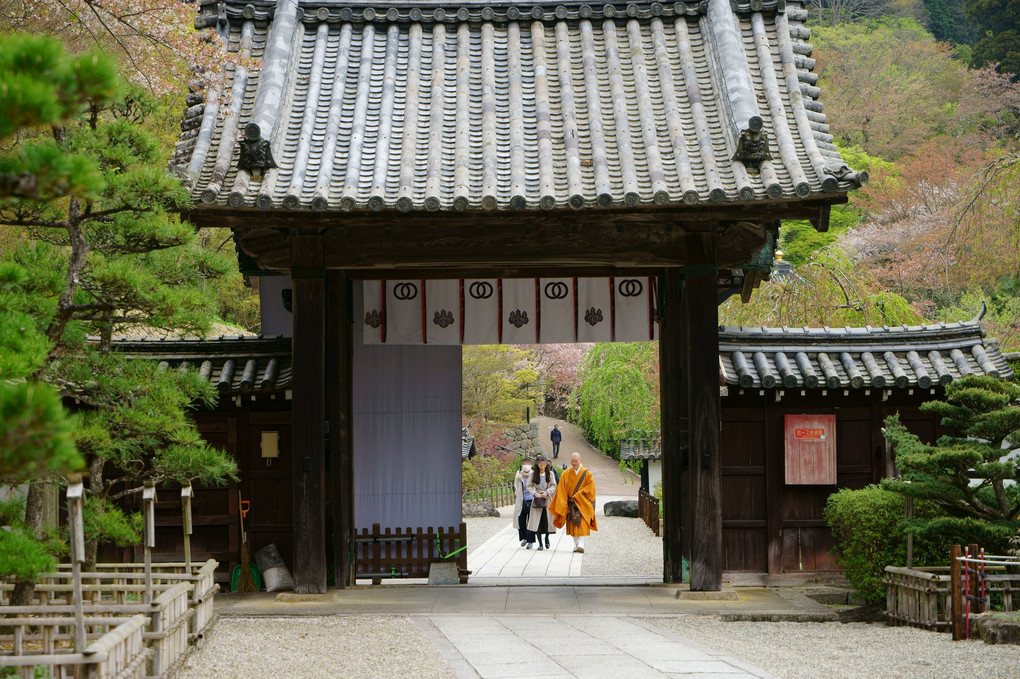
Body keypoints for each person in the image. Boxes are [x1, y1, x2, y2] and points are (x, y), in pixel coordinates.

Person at [550, 452, 597, 553]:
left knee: (583, 523)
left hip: (583, 503)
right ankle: (576, 544)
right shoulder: (566, 473)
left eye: (576, 461)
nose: (574, 463)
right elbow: (561, 489)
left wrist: (579, 495)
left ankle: (581, 543)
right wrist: (562, 504)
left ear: (580, 460)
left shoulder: (587, 473)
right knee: (572, 525)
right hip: (571, 503)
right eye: (572, 461)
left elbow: (591, 488)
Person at [526, 455, 557, 551]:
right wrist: (535, 493)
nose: (542, 465)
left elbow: (553, 485)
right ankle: (540, 543)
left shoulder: (550, 473)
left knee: (547, 521)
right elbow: (529, 486)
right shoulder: (533, 474)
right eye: (540, 463)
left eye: (543, 463)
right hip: (537, 500)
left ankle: (547, 538)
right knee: (537, 522)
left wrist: (547, 492)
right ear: (537, 464)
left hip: (547, 499)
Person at [513, 458, 536, 548]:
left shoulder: (534, 474)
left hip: (531, 499)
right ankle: (524, 537)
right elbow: (516, 486)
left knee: (531, 521)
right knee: (521, 520)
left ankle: (530, 541)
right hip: (521, 500)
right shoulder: (518, 474)